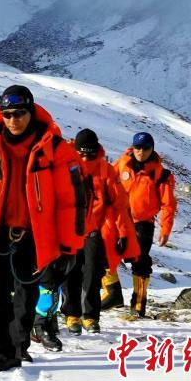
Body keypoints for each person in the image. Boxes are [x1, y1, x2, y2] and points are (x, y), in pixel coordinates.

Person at [0, 85, 88, 371]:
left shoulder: (56, 150)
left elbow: (72, 203)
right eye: (8, 114)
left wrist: (70, 246)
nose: (13, 120)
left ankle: (18, 348)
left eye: (19, 113)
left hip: (33, 237)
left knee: (26, 300)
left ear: (31, 112)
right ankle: (3, 351)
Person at [60, 129, 139, 335]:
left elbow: (119, 205)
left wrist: (123, 233)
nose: (86, 159)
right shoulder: (64, 166)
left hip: (94, 231)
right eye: (82, 154)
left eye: (91, 154)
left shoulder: (106, 170)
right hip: (69, 230)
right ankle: (72, 315)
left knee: (93, 274)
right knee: (70, 273)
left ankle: (91, 317)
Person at [102, 132, 177, 317]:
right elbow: (107, 182)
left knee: (140, 261)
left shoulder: (161, 174)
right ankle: (112, 293)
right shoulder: (122, 163)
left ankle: (138, 304)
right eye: (137, 147)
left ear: (152, 149)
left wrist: (165, 229)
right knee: (102, 251)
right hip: (118, 219)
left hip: (143, 224)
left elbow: (168, 204)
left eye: (145, 148)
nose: (141, 151)